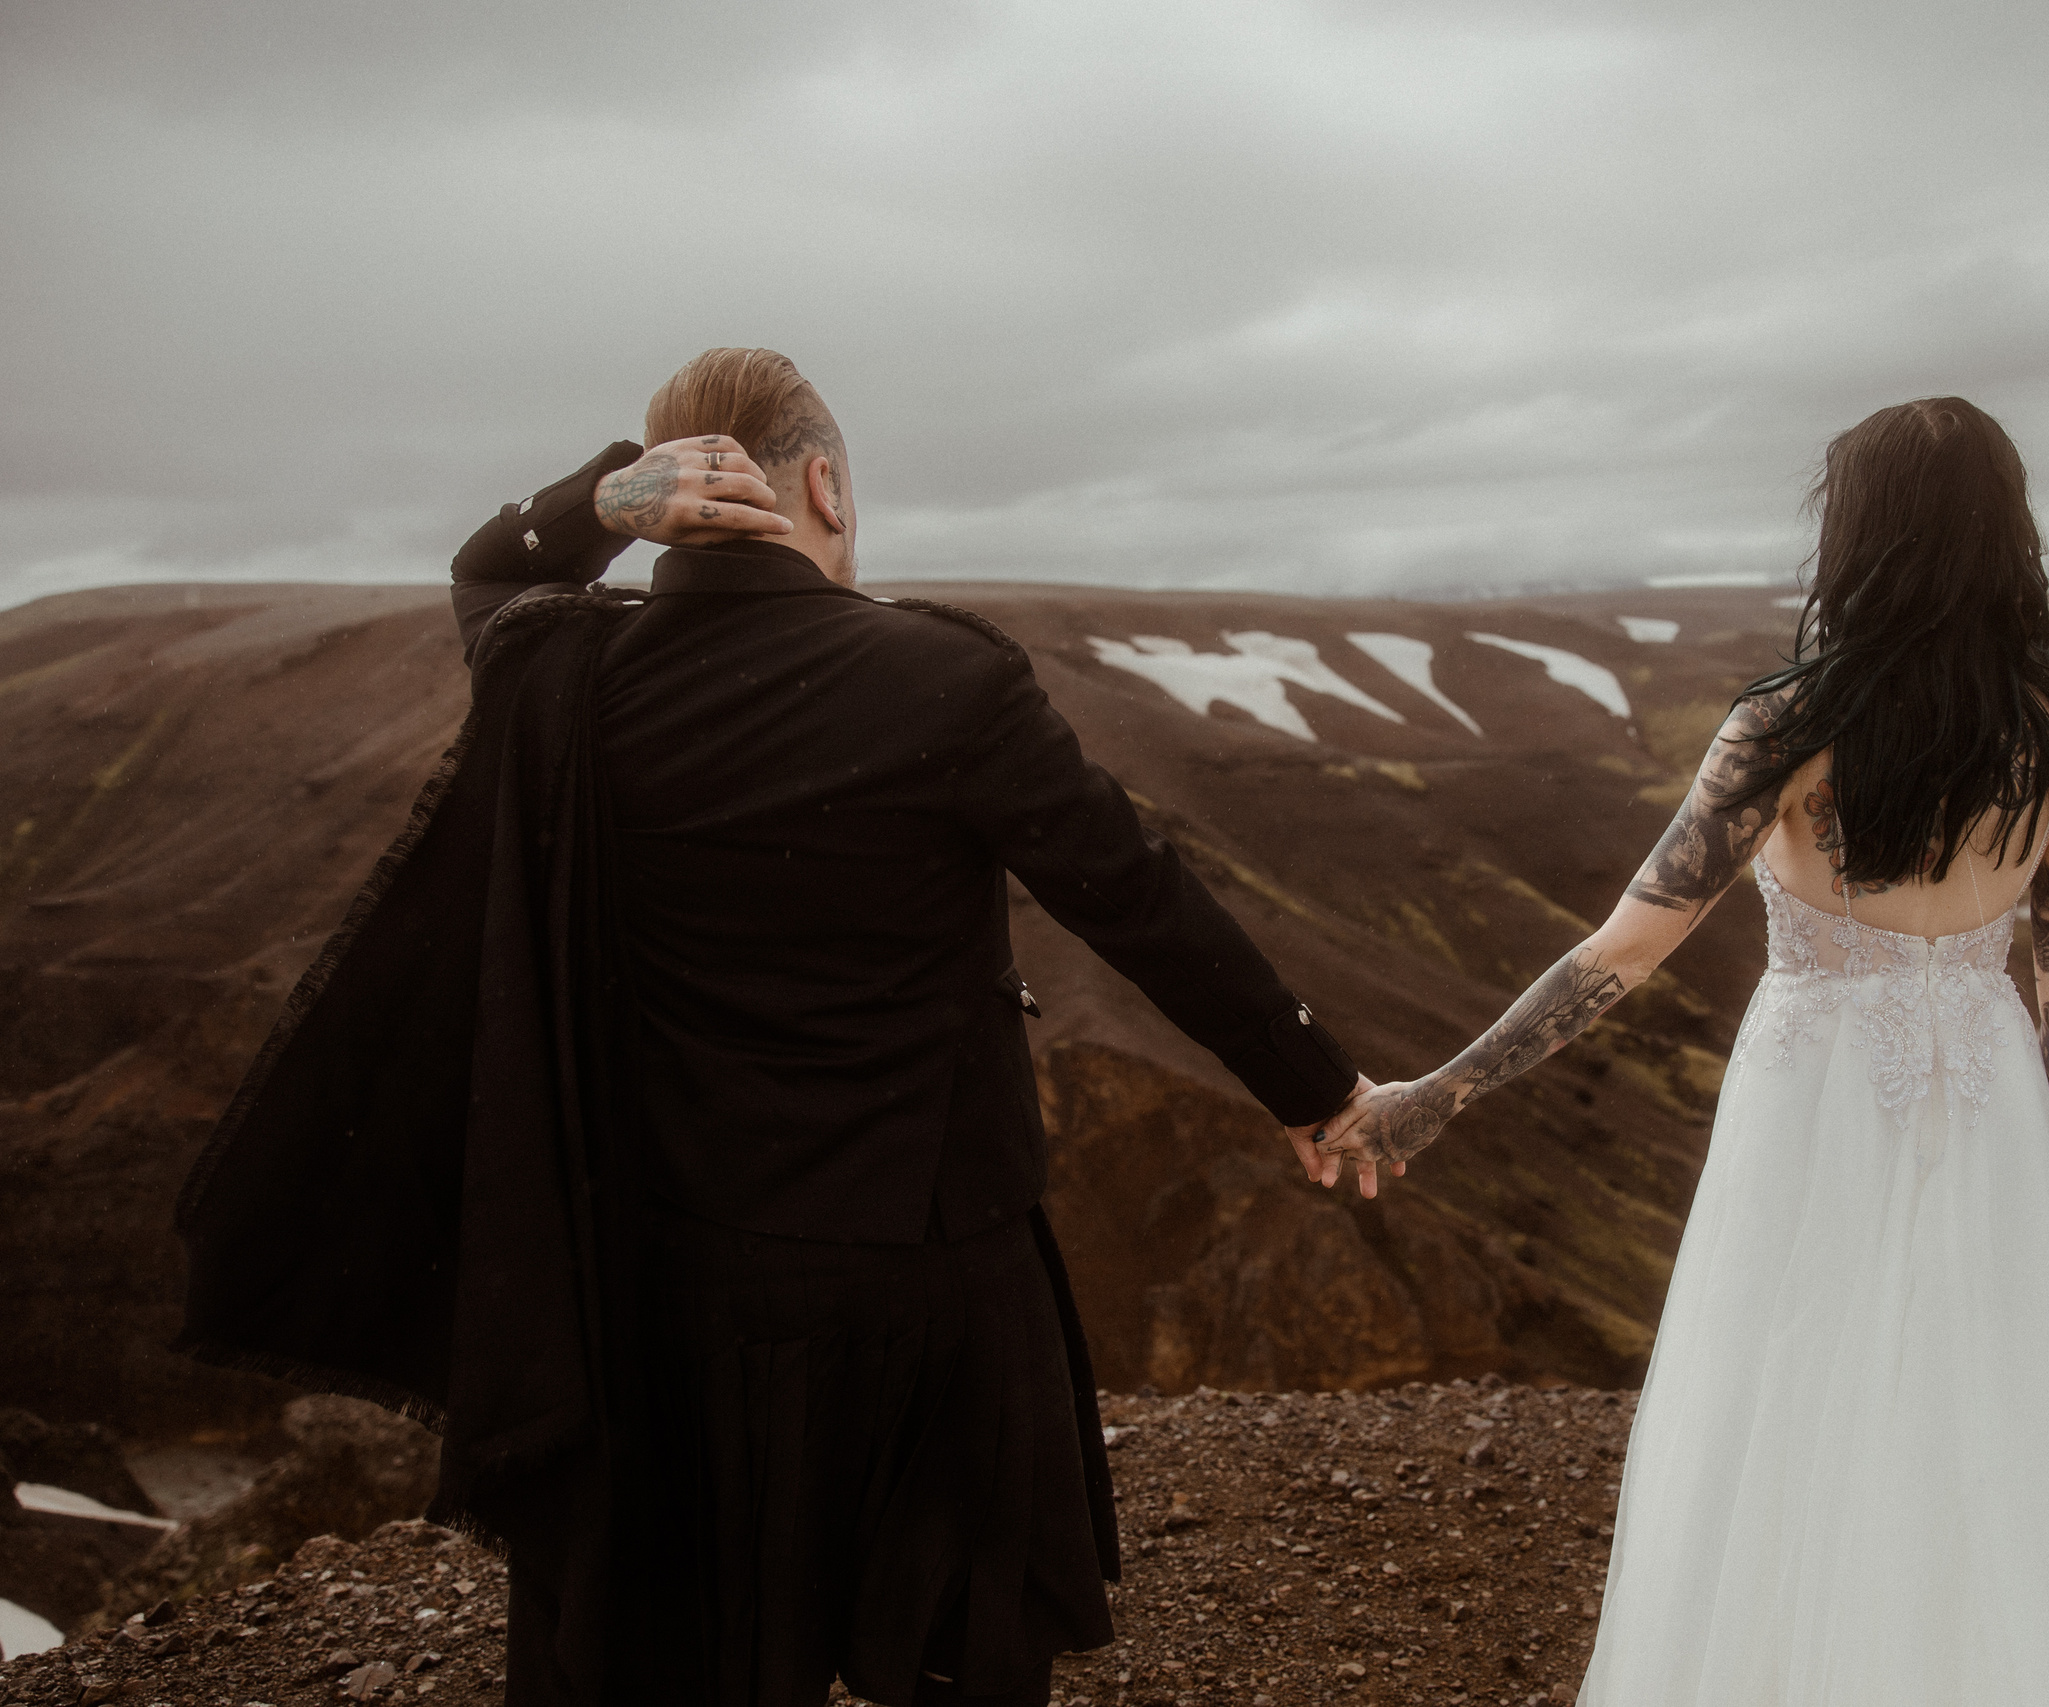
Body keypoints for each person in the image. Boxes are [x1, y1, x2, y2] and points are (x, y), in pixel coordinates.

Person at [177, 347, 1370, 1707]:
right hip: (930, 1285)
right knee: (954, 1660)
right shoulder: (947, 681)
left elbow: (489, 570)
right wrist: (1311, 1084)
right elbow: (1139, 899)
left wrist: (599, 500)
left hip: (670, 1288)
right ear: (823, 483)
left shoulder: (567, 677)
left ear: (661, 495)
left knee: (703, 1656)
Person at [1318, 397, 2049, 1704]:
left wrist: (1441, 1093)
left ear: (1860, 537)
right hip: (1991, 1110)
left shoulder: (1784, 730)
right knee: (1970, 1435)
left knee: (1782, 1419)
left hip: (1815, 1101)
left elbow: (1620, 952)